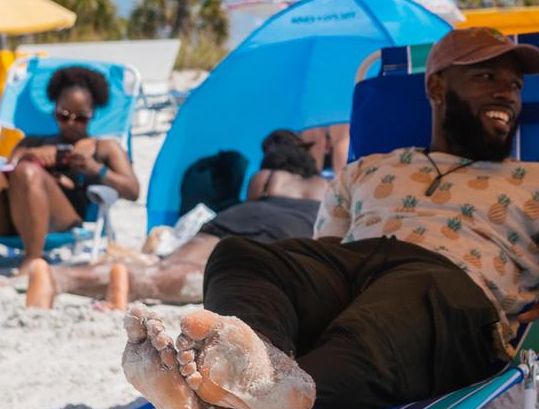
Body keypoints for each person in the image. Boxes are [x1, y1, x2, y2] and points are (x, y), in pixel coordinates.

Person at [117, 26, 539, 409]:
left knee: (388, 311)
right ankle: (252, 377)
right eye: (486, 77)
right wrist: (282, 282)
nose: (507, 94)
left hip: (453, 297)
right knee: (240, 253)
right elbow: (321, 259)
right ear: (437, 88)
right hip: (351, 264)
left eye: (514, 85)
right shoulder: (367, 170)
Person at [34, 131, 326, 311]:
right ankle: (129, 280)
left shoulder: (267, 177)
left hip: (234, 222)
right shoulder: (326, 186)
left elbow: (252, 205)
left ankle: (60, 276)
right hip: (280, 236)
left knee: (163, 263)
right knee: (203, 277)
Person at [0, 65, 138, 288]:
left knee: (28, 172)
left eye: (81, 118)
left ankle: (31, 261)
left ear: (92, 114)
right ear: (55, 109)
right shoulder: (33, 142)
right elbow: (3, 176)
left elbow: (132, 190)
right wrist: (28, 155)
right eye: (64, 116)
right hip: (14, 216)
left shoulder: (104, 147)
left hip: (64, 218)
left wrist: (95, 169)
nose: (71, 123)